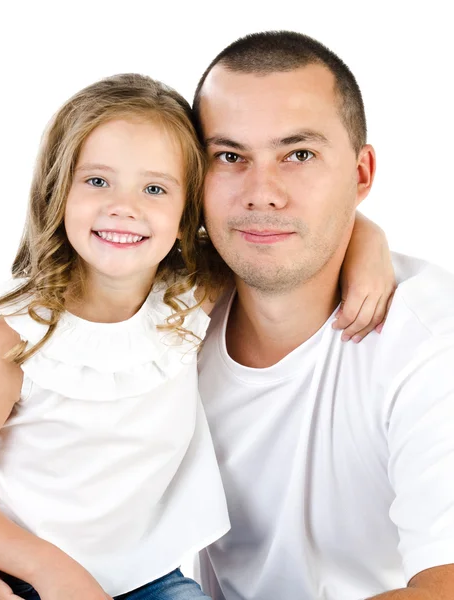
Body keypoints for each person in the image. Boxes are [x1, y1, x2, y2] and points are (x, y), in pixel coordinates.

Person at [0, 72, 392, 600]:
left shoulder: (189, 295)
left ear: (188, 208)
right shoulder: (16, 341)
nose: (125, 207)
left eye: (154, 188)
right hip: (26, 581)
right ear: (58, 189)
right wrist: (52, 572)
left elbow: (284, 245)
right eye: (97, 181)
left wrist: (369, 243)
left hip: (153, 583)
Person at [191, 31, 454, 599]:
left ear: (361, 175)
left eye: (299, 155)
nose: (263, 193)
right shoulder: (168, 319)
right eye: (230, 157)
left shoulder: (433, 343)